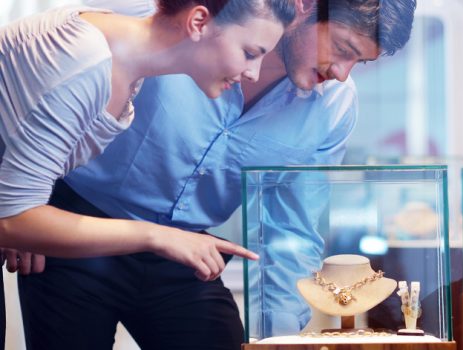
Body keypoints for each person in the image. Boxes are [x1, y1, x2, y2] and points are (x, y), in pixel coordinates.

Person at [16, 0, 417, 347]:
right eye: (343, 49)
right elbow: (43, 79)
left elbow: (290, 233)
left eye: (359, 63)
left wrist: (277, 340)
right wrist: (26, 212)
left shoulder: (334, 109)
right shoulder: (173, 21)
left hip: (188, 253)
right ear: (305, 6)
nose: (343, 74)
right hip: (78, 232)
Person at [0, 0, 294, 348]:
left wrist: (29, 213)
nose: (254, 73)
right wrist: (159, 235)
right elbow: (11, 218)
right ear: (198, 21)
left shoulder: (127, 65)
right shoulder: (88, 60)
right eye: (249, 52)